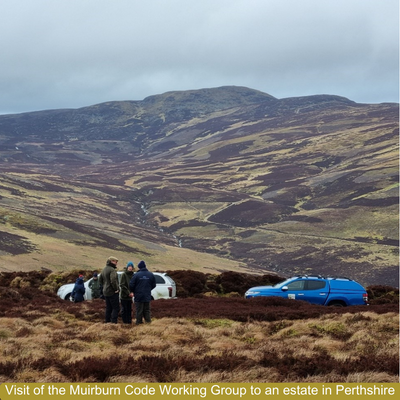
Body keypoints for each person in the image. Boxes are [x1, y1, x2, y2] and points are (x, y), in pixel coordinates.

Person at [129, 260, 156, 325]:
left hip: (138, 295)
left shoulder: (136, 275)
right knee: (147, 310)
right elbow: (154, 285)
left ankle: (138, 322)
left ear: (139, 267)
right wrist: (148, 289)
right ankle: (148, 322)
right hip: (147, 295)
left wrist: (133, 291)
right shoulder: (150, 274)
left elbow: (131, 285)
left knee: (139, 310)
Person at [98, 256, 120, 323]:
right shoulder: (112, 270)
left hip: (105, 292)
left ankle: (107, 321)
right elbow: (113, 280)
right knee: (116, 308)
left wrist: (104, 285)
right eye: (115, 261)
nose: (116, 263)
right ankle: (113, 322)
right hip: (112, 292)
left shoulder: (104, 269)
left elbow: (100, 280)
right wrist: (116, 289)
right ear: (111, 261)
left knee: (108, 307)